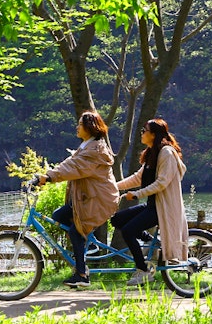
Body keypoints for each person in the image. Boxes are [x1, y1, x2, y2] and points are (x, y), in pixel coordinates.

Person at [34, 110, 119, 288]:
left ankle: (82, 274)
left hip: (99, 199)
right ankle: (88, 242)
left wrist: (48, 177)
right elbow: (68, 164)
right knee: (58, 216)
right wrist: (47, 176)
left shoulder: (95, 150)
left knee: (75, 231)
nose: (77, 127)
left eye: (80, 124)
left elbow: (74, 167)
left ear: (89, 127)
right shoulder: (87, 146)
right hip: (88, 198)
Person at [113, 118, 188, 287]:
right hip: (152, 205)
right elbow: (138, 178)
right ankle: (150, 242)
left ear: (153, 134)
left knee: (128, 231)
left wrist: (137, 194)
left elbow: (161, 182)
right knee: (117, 220)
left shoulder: (166, 153)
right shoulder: (152, 153)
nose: (141, 133)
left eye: (144, 130)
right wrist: (114, 188)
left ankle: (143, 271)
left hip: (163, 208)